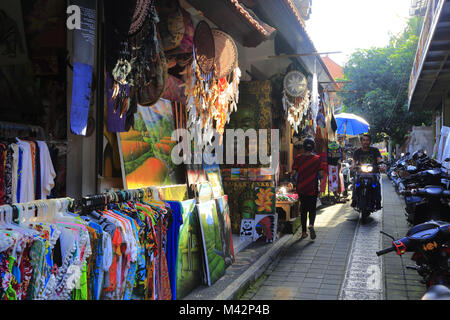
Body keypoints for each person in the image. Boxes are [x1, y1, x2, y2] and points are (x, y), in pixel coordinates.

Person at [292, 138, 325, 240]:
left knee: (303, 210)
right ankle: (311, 224)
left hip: (301, 187)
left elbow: (293, 173)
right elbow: (321, 174)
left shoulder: (298, 158)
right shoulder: (317, 158)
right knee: (312, 209)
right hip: (312, 187)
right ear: (313, 147)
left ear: (304, 147)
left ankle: (303, 232)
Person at [350, 134, 384, 209]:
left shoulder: (375, 150)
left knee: (377, 185)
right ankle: (354, 199)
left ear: (370, 141)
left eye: (367, 140)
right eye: (364, 140)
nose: (365, 142)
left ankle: (378, 201)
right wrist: (352, 165)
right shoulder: (357, 151)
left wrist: (381, 165)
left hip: (373, 172)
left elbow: (379, 159)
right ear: (361, 142)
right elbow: (354, 160)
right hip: (361, 172)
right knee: (356, 183)